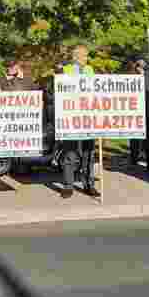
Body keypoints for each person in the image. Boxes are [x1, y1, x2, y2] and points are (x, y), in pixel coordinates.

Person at [58, 44, 99, 198]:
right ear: (76, 56)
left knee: (89, 154)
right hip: (71, 117)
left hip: (88, 117)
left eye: (86, 55)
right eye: (84, 55)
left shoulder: (89, 70)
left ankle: (89, 184)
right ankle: (68, 186)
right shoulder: (66, 70)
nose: (86, 58)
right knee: (70, 153)